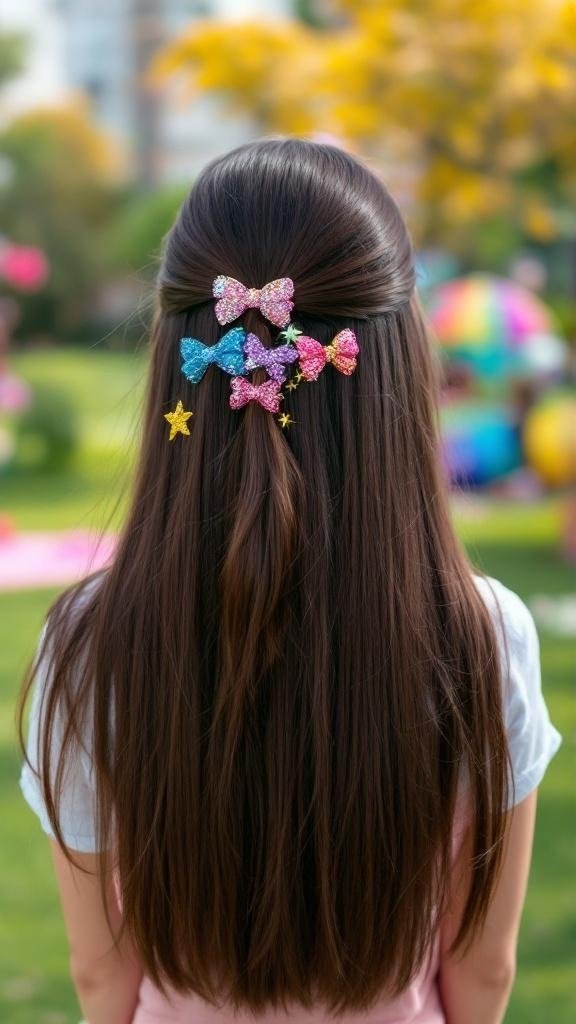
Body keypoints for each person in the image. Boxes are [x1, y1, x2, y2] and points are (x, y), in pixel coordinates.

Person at [16, 138, 562, 1024]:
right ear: (397, 365)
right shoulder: (483, 635)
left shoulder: (88, 647)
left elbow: (100, 979)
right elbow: (483, 977)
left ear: (175, 360)